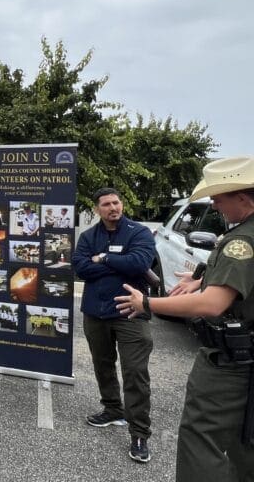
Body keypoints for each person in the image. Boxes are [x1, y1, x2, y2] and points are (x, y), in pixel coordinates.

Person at [116, 156, 254, 480]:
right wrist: (202, 280)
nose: (216, 206)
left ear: (244, 197)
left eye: (220, 198)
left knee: (200, 439)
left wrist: (148, 302)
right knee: (244, 441)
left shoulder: (241, 242)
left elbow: (212, 305)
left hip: (230, 364)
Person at [71, 187, 156, 463]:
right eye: (106, 204)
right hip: (96, 312)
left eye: (116, 202)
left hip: (130, 312)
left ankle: (139, 433)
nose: (112, 208)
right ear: (97, 209)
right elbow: (80, 268)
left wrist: (105, 258)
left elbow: (141, 261)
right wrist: (120, 264)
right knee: (102, 364)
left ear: (122, 204)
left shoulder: (138, 232)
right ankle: (112, 410)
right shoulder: (87, 237)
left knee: (135, 373)